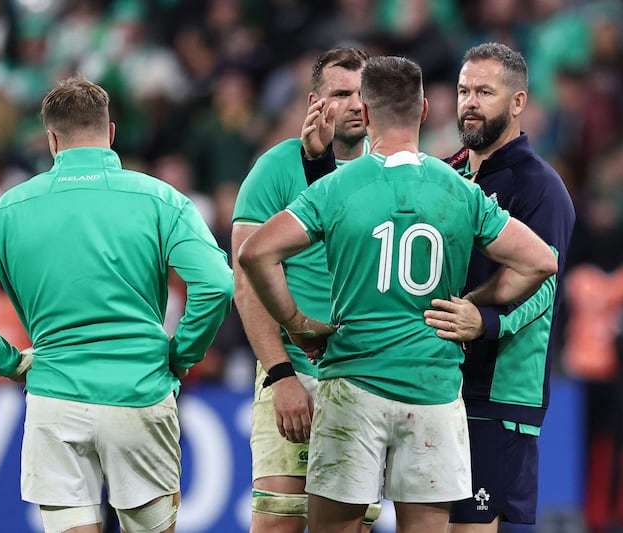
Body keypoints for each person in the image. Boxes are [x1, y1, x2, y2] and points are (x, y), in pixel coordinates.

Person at [237, 55, 559, 533]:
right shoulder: (459, 189)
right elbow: (542, 262)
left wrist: (299, 324)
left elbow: (254, 254)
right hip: (433, 392)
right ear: (426, 111)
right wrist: (477, 303)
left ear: (366, 114)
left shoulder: (338, 187)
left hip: (356, 384)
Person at [0, 77, 234, 533]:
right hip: (140, 391)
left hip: (55, 396)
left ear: (51, 140)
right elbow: (217, 284)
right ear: (110, 133)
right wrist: (181, 353)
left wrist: (9, 362)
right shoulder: (160, 199)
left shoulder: (7, 209)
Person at [424, 42, 576, 532]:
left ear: (517, 103)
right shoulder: (446, 173)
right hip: (438, 383)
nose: (469, 101)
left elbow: (546, 286)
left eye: (485, 92)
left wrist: (484, 323)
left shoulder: (539, 187)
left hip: (498, 392)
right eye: (464, 89)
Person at [230, 46, 382, 532]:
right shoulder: (276, 169)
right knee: (278, 522)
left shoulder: (393, 171)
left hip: (368, 381)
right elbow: (246, 284)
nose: (356, 103)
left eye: (364, 93)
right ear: (316, 102)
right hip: (295, 374)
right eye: (342, 94)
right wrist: (280, 376)